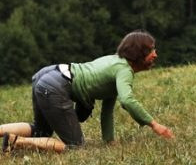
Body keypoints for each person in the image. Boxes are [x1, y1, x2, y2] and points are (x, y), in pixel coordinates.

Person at [1, 30, 174, 153]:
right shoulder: (124, 70)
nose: (155, 54)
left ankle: (10, 136)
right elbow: (127, 100)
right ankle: (16, 141)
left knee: (40, 131)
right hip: (56, 85)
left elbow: (107, 111)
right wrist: (154, 125)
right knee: (75, 147)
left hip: (48, 74)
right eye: (151, 50)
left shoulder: (115, 62)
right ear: (139, 53)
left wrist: (109, 141)